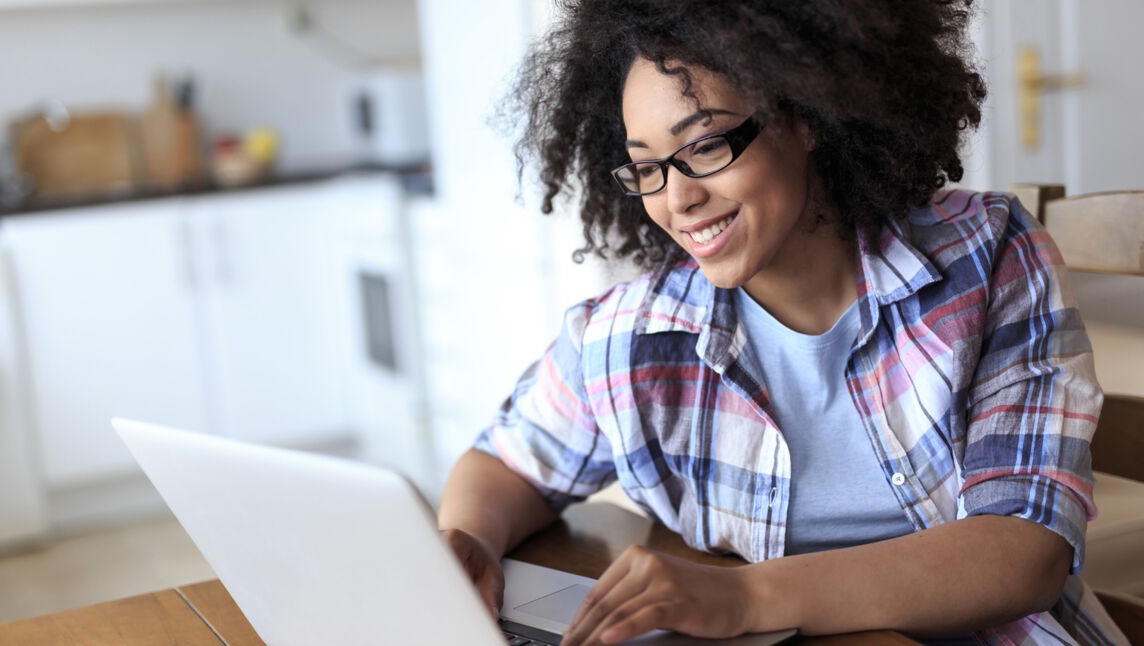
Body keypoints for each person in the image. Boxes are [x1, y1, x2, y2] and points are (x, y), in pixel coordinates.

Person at [436, 1, 1127, 644]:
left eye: (705, 146)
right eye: (646, 168)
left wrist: (743, 599)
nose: (678, 198)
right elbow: (506, 461)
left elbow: (1024, 549)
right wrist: (467, 544)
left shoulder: (988, 257)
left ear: (803, 115)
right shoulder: (632, 336)